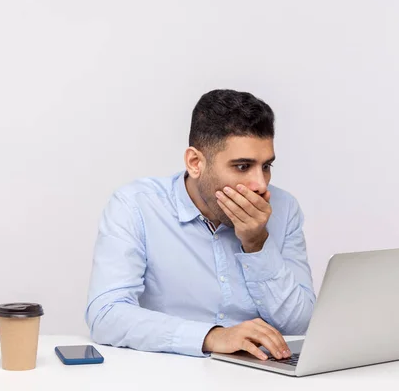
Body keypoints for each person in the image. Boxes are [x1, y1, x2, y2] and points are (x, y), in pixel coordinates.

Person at [85, 89, 315, 361]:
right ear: (195, 163)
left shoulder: (284, 209)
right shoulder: (135, 206)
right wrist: (211, 336)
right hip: (171, 375)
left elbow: (300, 325)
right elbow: (106, 314)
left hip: (261, 378)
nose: (260, 185)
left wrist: (257, 244)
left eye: (266, 166)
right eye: (242, 166)